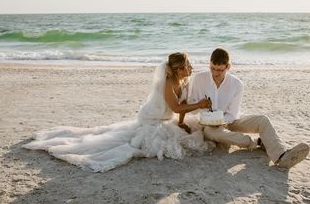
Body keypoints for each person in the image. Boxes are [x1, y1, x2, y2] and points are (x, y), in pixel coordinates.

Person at [23, 53, 213, 172]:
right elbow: (178, 107)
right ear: (179, 70)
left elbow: (183, 103)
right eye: (188, 65)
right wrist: (199, 104)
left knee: (187, 134)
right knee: (134, 143)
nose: (191, 67)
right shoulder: (168, 84)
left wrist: (181, 122)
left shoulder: (184, 81)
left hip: (165, 118)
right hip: (152, 119)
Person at [188, 48, 310, 169]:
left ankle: (281, 156)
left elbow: (233, 114)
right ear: (209, 64)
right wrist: (199, 105)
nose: (215, 73)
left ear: (228, 67)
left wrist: (220, 120)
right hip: (208, 125)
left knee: (262, 120)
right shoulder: (199, 79)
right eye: (212, 68)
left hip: (231, 120)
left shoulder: (237, 84)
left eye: (219, 70)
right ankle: (257, 142)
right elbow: (192, 109)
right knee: (211, 132)